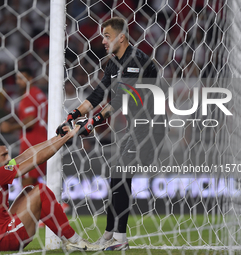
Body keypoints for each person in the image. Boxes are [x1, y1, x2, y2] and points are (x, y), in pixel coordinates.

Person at [56, 17, 166, 250]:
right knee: (117, 179)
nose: (103, 41)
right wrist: (73, 115)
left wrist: (90, 123)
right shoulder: (114, 63)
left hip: (150, 127)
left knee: (121, 179)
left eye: (107, 36)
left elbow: (119, 99)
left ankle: (118, 238)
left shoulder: (136, 60)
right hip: (135, 127)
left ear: (121, 37)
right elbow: (98, 94)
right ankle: (110, 235)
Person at [0, 126, 101, 251]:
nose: (8, 159)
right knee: (41, 191)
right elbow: (38, 159)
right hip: (6, 239)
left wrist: (58, 137)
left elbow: (26, 155)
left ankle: (67, 238)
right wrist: (67, 138)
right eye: (4, 155)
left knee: (29, 190)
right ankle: (74, 240)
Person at [1, 67, 48, 187]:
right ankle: (58, 205)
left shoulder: (28, 96)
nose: (18, 82)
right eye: (17, 78)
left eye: (22, 78)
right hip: (43, 142)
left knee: (26, 186)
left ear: (30, 79)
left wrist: (10, 128)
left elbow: (30, 122)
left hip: (31, 145)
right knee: (36, 185)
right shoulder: (39, 94)